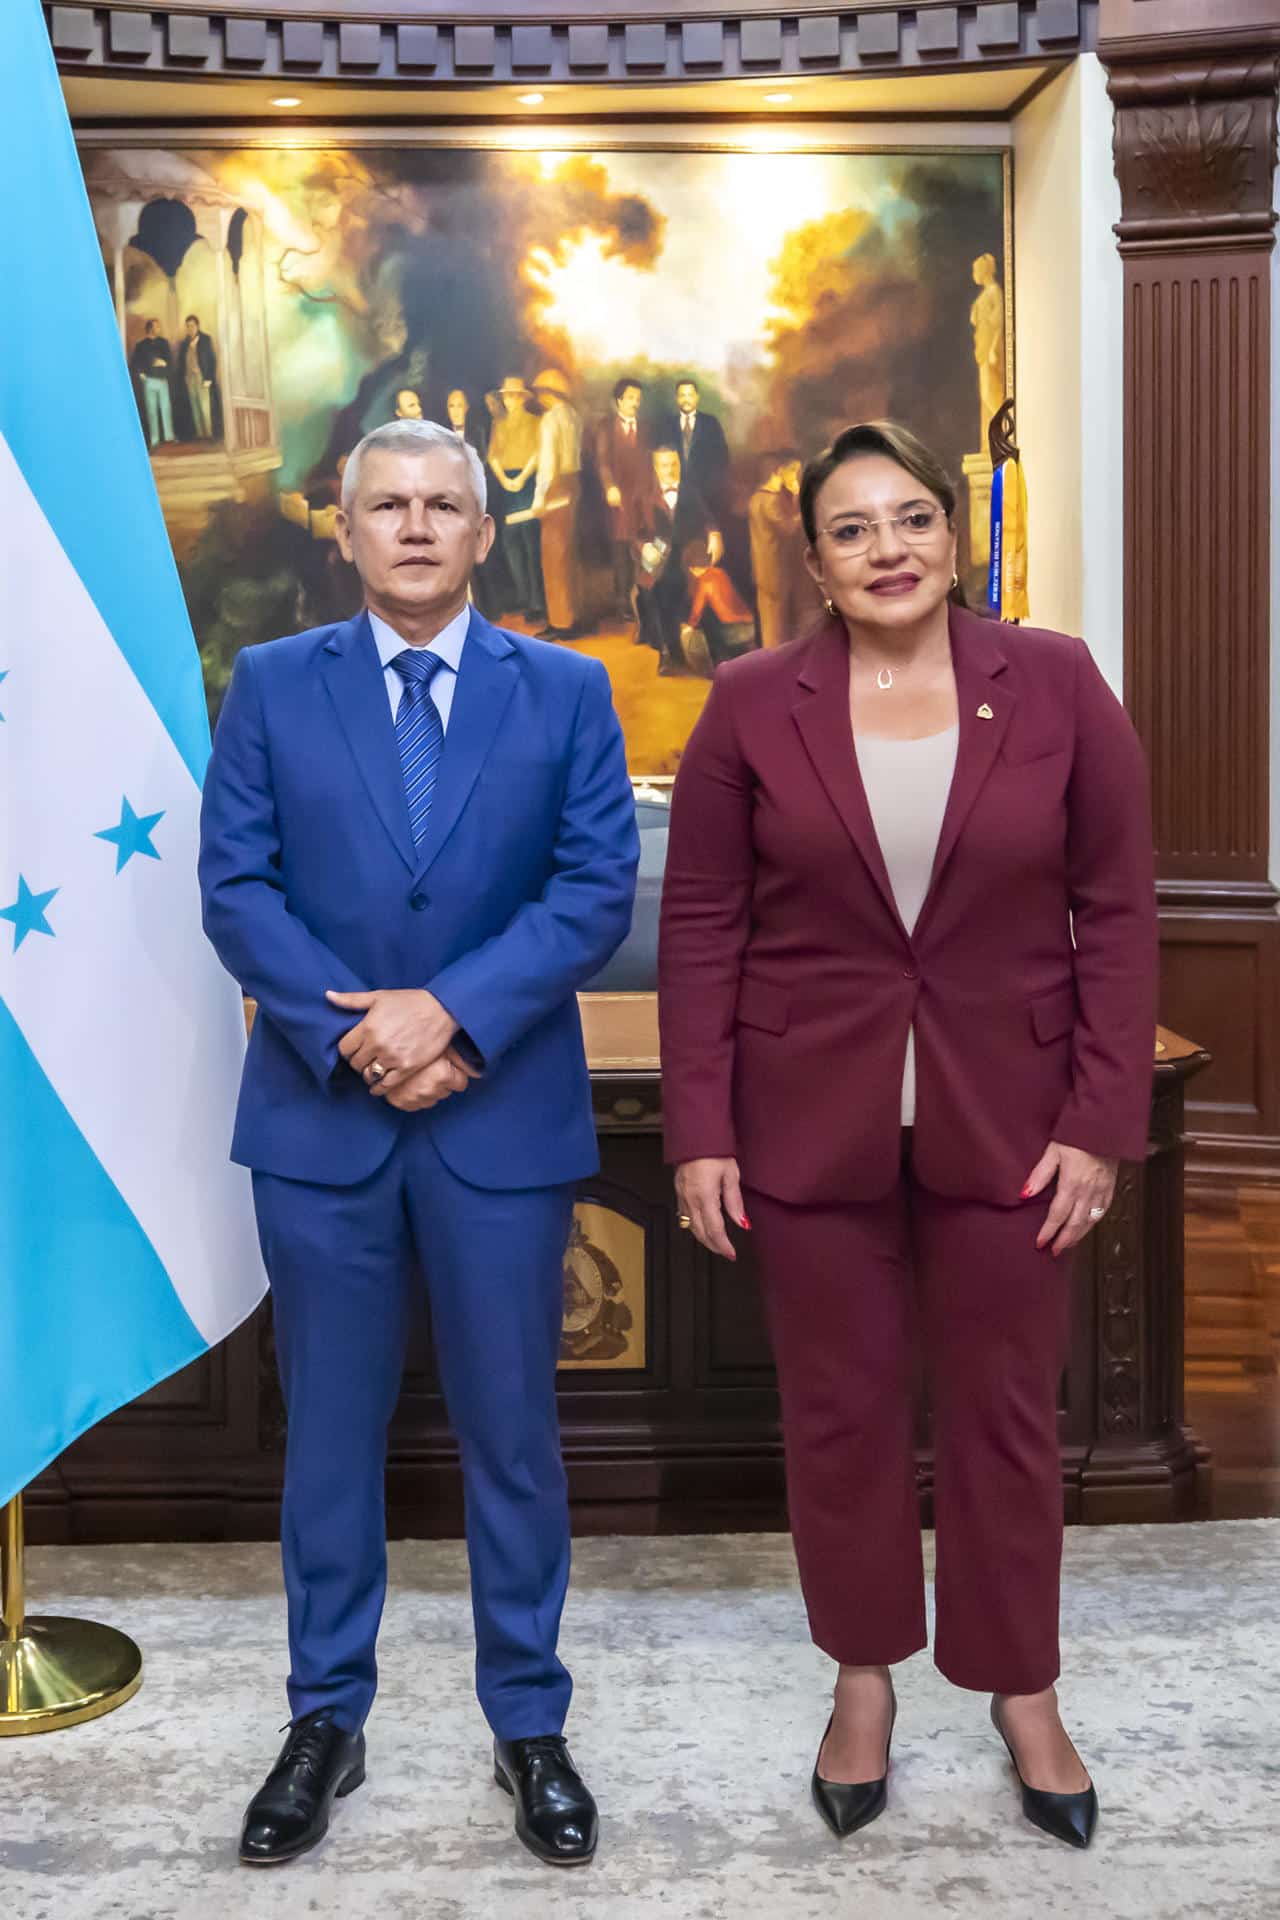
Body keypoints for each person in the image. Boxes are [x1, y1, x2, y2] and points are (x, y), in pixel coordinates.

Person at [658, 419, 1157, 1851]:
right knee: (840, 1419)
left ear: (956, 534)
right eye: (855, 529)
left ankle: (1022, 1691)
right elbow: (701, 928)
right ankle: (863, 1682)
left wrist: (1099, 1122)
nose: (890, 549)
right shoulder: (753, 701)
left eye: (914, 519)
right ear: (815, 562)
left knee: (1006, 1421)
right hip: (806, 1127)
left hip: (1015, 1123)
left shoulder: (1053, 681)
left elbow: (1118, 914)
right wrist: (702, 1125)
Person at [199, 418, 639, 1871]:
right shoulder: (269, 686)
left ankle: (529, 1721)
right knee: (329, 1436)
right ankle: (327, 1714)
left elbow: (591, 891)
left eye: (442, 504)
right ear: (344, 528)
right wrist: (358, 1037)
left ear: (481, 527)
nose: (413, 525)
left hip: (497, 1115)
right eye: (385, 504)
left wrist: (448, 1016)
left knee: (513, 1439)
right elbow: (235, 888)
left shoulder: (568, 691)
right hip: (322, 1127)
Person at [632, 446, 723, 676]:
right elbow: (635, 533)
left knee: (706, 588)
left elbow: (708, 518)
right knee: (653, 592)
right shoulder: (644, 495)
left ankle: (716, 655)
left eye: (674, 464)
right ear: (655, 468)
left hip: (687, 557)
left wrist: (714, 533)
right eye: (664, 465)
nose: (670, 470)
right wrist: (644, 548)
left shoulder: (690, 492)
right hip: (659, 558)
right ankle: (666, 653)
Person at [530, 368, 584, 638]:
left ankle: (561, 623)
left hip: (555, 490)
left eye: (540, 393)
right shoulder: (574, 417)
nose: (538, 398)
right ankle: (572, 616)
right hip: (573, 488)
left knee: (553, 558)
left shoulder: (550, 420)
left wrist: (539, 498)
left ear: (548, 394)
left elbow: (547, 465)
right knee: (569, 555)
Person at [593, 376, 652, 621]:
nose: (634, 403)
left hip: (644, 497)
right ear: (619, 400)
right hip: (619, 498)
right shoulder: (606, 427)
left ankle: (646, 597)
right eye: (630, 398)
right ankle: (622, 601)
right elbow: (603, 462)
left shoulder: (647, 427)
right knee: (621, 550)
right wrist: (609, 487)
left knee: (645, 546)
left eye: (637, 399)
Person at [486, 374, 545, 623]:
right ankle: (524, 596)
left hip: (527, 482)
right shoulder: (498, 424)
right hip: (506, 484)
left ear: (522, 398)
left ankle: (537, 602)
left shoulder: (535, 422)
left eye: (514, 395)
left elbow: (538, 453)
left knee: (530, 540)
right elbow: (493, 456)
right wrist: (504, 480)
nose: (510, 400)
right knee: (511, 543)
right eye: (507, 396)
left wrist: (521, 478)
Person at [748, 450, 820, 649]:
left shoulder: (758, 497)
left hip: (768, 572)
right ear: (780, 471)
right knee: (775, 628)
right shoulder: (770, 500)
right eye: (793, 471)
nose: (797, 476)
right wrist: (799, 498)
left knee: (776, 626)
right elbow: (789, 527)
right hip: (775, 574)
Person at [661, 377, 730, 521]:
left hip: (706, 497)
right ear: (677, 398)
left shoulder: (711, 423)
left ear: (697, 397)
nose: (686, 400)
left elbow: (722, 459)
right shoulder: (667, 424)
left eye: (690, 395)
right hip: (674, 496)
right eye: (682, 395)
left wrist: (711, 489)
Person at [129, 318, 174, 449]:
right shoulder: (141, 345)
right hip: (149, 381)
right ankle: (155, 439)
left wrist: (163, 363)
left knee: (166, 409)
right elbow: (135, 363)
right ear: (150, 328)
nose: (159, 329)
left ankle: (168, 436)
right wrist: (142, 372)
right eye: (157, 326)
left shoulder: (164, 343)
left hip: (162, 380)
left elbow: (169, 361)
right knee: (152, 411)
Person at [179, 313, 217, 440]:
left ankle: (209, 434)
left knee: (204, 406)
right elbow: (181, 362)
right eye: (188, 326)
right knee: (195, 407)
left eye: (192, 326)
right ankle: (200, 434)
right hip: (189, 378)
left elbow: (212, 360)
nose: (190, 329)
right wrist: (184, 376)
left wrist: (209, 378)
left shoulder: (206, 339)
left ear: (197, 326)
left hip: (202, 377)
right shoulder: (185, 343)